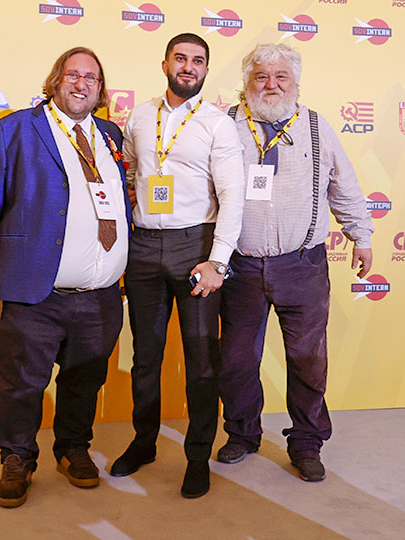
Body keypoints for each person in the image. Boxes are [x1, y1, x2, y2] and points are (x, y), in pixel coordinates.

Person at [0, 46, 131, 507]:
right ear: (55, 81)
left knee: (84, 380)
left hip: (99, 294)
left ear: (100, 89)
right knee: (22, 383)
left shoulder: (110, 135)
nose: (81, 84)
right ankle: (17, 457)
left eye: (91, 78)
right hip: (32, 288)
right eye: (73, 75)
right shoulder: (14, 129)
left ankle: (73, 448)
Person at [216, 43, 374, 482]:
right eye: (261, 76)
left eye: (280, 76)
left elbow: (344, 185)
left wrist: (360, 235)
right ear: (247, 82)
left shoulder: (317, 127)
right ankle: (242, 434)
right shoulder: (225, 125)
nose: (271, 85)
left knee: (308, 359)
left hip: (302, 266)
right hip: (240, 268)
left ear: (295, 82)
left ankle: (306, 441)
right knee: (236, 360)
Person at [109, 33, 244, 499]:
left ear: (206, 69)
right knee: (145, 357)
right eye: (181, 58)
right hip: (145, 246)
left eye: (198, 61)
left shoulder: (217, 124)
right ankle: (144, 442)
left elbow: (232, 196)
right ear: (164, 64)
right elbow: (129, 174)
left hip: (197, 247)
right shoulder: (139, 117)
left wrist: (218, 262)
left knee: (201, 361)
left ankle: (197, 456)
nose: (189, 66)